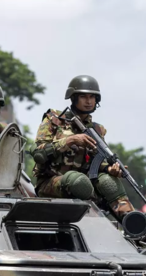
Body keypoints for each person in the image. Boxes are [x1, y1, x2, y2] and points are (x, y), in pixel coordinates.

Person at [32, 75, 134, 221]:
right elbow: (38, 153)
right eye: (83, 96)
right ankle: (99, 211)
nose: (88, 101)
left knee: (108, 181)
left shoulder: (97, 130)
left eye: (92, 97)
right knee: (78, 181)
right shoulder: (54, 120)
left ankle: (134, 224)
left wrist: (109, 169)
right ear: (73, 98)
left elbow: (96, 163)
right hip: (50, 183)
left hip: (84, 184)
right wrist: (70, 140)